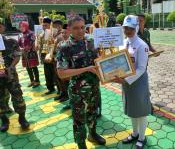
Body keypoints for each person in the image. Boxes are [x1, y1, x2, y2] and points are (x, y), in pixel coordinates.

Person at [56, 16, 106, 149]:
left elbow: (100, 61)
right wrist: (87, 69)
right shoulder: (64, 47)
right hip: (77, 91)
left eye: (82, 27)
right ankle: (81, 143)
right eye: (76, 28)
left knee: (93, 113)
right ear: (69, 29)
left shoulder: (92, 41)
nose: (80, 31)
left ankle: (93, 134)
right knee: (79, 120)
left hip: (94, 87)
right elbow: (61, 73)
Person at [112, 15, 152, 149]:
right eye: (125, 28)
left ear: (135, 27)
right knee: (131, 109)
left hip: (138, 82)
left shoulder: (142, 45)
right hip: (126, 82)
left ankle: (142, 137)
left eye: (130, 28)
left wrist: (125, 80)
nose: (128, 31)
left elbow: (141, 68)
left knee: (141, 111)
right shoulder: (123, 43)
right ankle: (135, 133)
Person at [0, 21, 29, 132]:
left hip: (10, 75)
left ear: (3, 27)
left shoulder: (11, 42)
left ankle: (22, 118)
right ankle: (4, 120)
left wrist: (11, 66)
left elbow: (17, 56)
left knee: (17, 96)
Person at [36, 17, 56, 95]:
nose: (44, 27)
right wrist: (37, 46)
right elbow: (39, 45)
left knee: (55, 73)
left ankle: (60, 89)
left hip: (53, 55)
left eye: (46, 25)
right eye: (43, 25)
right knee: (47, 72)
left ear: (50, 25)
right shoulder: (41, 34)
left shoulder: (54, 33)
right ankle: (50, 88)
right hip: (45, 55)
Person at [18, 21, 40, 88]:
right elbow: (18, 44)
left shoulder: (31, 33)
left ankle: (37, 81)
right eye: (20, 26)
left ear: (26, 26)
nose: (21, 28)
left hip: (31, 53)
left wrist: (27, 48)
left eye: (23, 26)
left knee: (34, 67)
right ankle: (32, 81)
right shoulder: (20, 35)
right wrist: (20, 48)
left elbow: (33, 42)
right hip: (24, 54)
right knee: (28, 68)